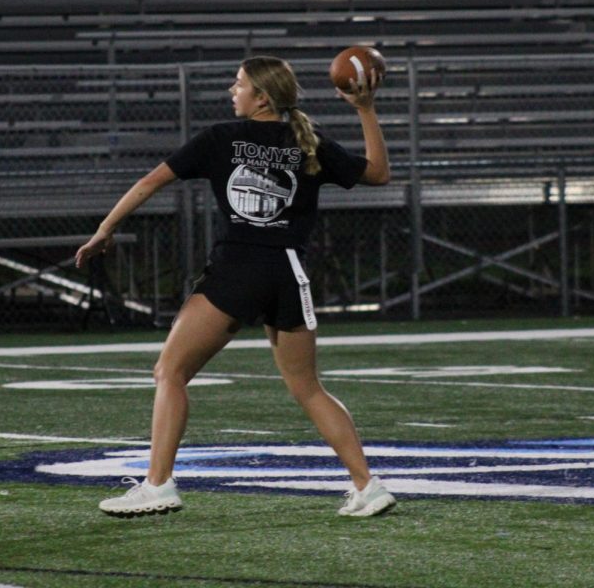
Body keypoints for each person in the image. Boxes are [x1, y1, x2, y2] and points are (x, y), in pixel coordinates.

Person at [75, 55, 397, 518]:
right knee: (308, 388)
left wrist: (104, 229)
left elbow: (150, 182)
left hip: (239, 267)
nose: (232, 90)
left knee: (170, 372)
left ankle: (158, 483)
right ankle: (368, 485)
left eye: (239, 83)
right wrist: (365, 108)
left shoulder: (221, 138)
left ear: (261, 96)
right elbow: (379, 173)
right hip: (289, 270)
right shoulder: (310, 143)